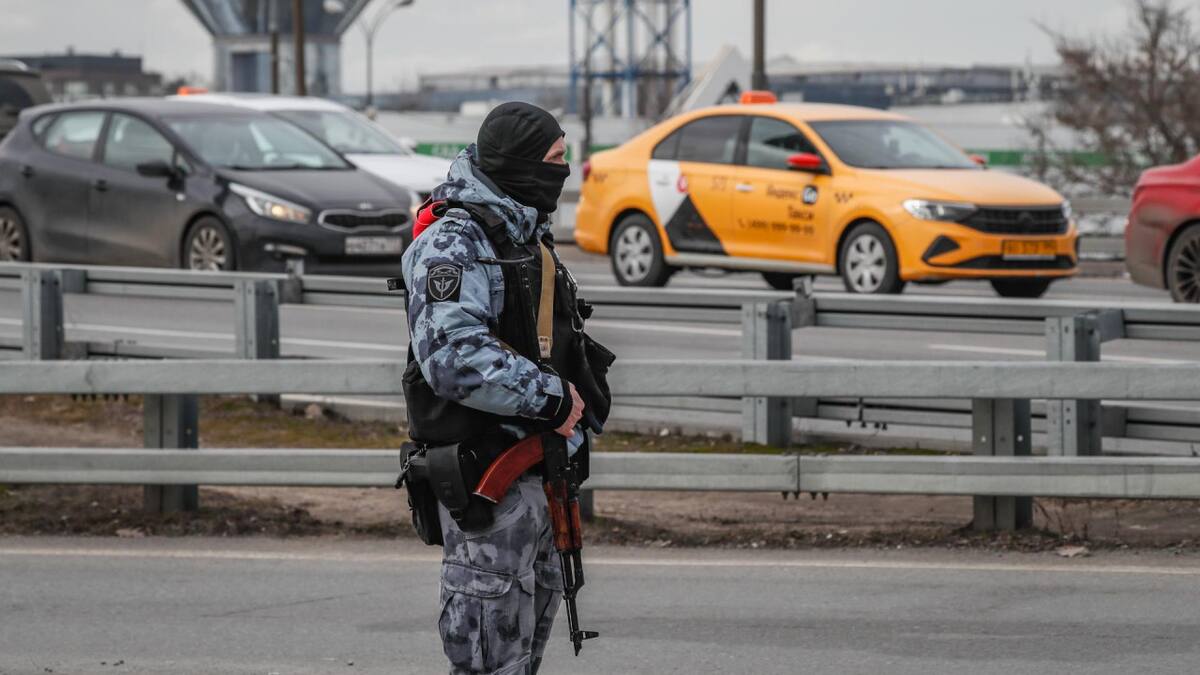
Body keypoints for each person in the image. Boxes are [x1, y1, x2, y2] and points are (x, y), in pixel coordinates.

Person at [400, 102, 613, 675]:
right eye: (555, 159)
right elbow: (451, 355)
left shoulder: (523, 235)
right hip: (488, 483)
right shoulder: (454, 242)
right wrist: (553, 397)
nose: (564, 171)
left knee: (519, 660)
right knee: (487, 663)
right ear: (519, 164)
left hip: (539, 478)